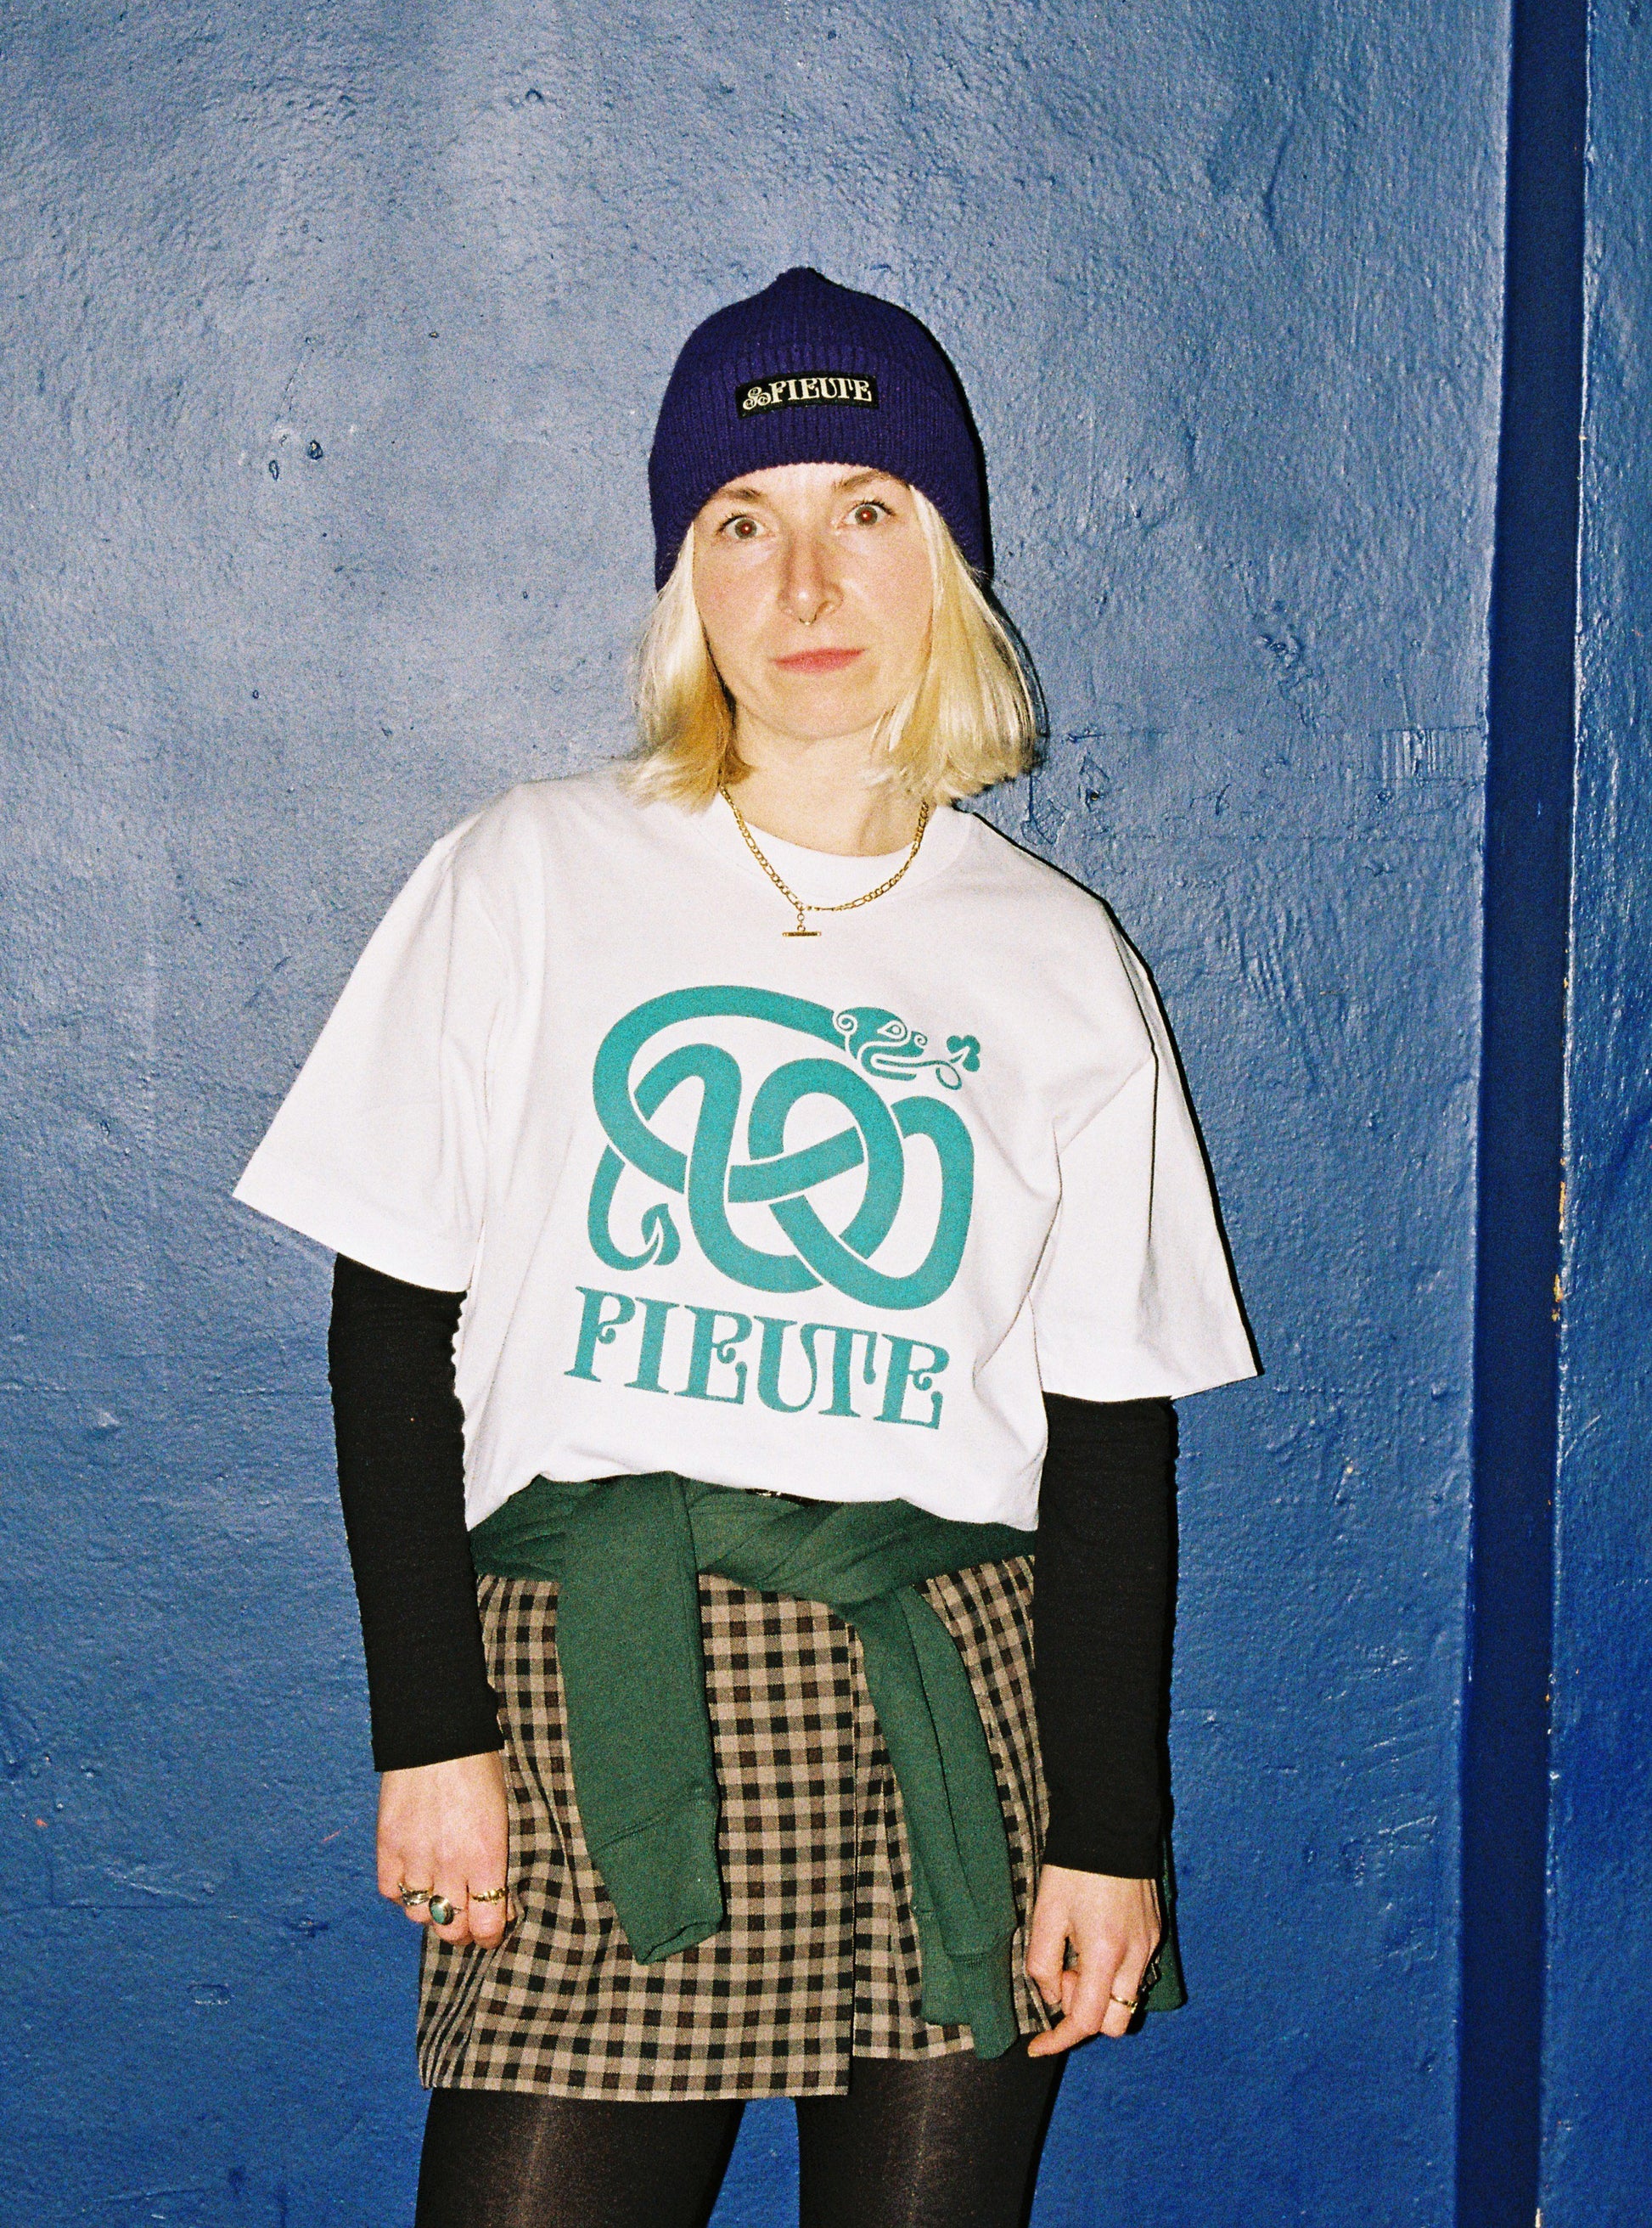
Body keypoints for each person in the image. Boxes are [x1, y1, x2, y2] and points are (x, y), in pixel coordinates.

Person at [235, 267, 1256, 2228]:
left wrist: (1107, 1832)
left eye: (866, 509)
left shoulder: (1055, 958)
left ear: (948, 559)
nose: (804, 583)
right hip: (587, 1689)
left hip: (944, 1703)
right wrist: (430, 1728)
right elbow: (390, 1333)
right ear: (682, 577)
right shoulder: (529, 870)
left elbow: (1114, 1437)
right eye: (741, 521)